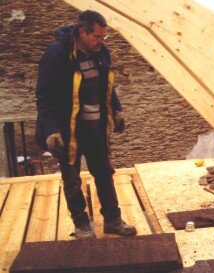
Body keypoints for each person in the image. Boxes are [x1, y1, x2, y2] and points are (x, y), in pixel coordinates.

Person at [35, 10, 136, 239]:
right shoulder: (57, 55)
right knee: (72, 178)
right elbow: (44, 96)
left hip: (95, 129)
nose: (102, 41)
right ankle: (82, 225)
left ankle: (112, 220)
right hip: (67, 130)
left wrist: (117, 110)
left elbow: (106, 85)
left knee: (104, 172)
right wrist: (51, 131)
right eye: (98, 36)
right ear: (83, 32)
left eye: (103, 37)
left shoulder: (101, 52)